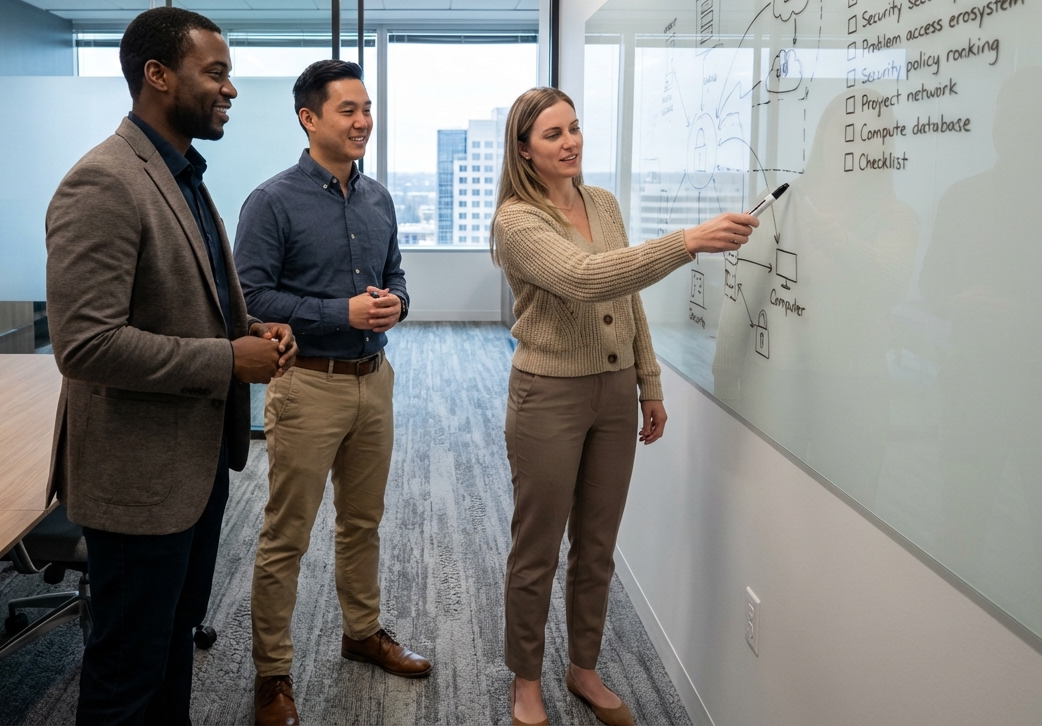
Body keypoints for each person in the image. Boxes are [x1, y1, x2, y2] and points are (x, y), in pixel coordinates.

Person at [45, 6, 297, 726]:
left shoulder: (180, 172)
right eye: (216, 72)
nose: (231, 89)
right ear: (158, 75)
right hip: (137, 482)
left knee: (171, 649)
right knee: (127, 672)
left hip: (191, 469)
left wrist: (254, 330)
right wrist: (227, 359)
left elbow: (193, 299)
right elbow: (86, 345)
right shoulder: (103, 182)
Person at [491, 87, 757, 726]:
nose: (571, 142)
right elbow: (589, 280)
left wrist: (650, 382)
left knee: (598, 544)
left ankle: (583, 667)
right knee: (538, 547)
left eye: (574, 128)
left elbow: (629, 298)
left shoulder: (601, 202)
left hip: (613, 392)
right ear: (524, 151)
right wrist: (688, 241)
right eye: (553, 134)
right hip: (548, 394)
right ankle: (526, 681)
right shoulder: (517, 220)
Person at [234, 60, 430, 726]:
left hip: (374, 382)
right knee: (287, 535)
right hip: (307, 386)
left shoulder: (379, 198)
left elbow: (398, 279)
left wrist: (392, 306)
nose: (362, 121)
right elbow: (251, 298)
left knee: (363, 524)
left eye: (367, 108)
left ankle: (362, 631)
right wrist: (338, 313)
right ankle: (272, 675)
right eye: (348, 109)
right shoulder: (271, 200)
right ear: (309, 118)